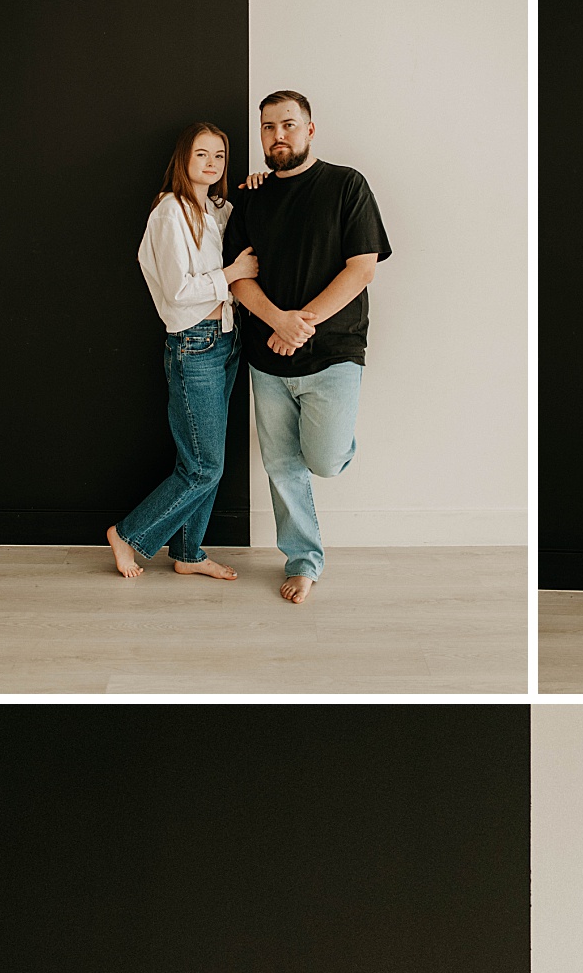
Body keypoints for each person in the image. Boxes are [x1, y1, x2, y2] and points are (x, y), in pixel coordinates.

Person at [222, 91, 392, 607]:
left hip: (334, 353)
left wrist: (301, 325)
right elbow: (237, 278)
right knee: (281, 466)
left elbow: (361, 268)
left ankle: (335, 445)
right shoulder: (249, 197)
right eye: (269, 127)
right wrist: (277, 321)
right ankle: (303, 560)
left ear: (310, 130)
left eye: (289, 125)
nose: (278, 135)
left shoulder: (347, 185)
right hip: (266, 355)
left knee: (322, 460)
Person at [107, 124, 259, 583]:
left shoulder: (216, 208)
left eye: (220, 156)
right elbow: (177, 290)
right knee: (204, 466)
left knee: (204, 463)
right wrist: (231, 273)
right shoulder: (169, 212)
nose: (211, 164)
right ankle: (128, 534)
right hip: (195, 343)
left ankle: (189, 553)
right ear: (183, 158)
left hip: (227, 338)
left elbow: (244, 220)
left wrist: (252, 191)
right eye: (201, 154)